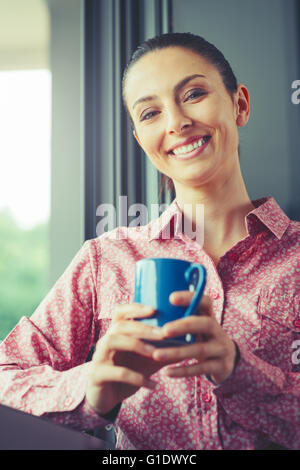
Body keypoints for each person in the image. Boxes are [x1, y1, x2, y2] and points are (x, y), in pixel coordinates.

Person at [0, 32, 299, 450]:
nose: (176, 122)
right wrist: (90, 390)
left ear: (240, 104)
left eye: (193, 93)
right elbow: (5, 375)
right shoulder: (106, 259)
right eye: (150, 113)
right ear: (142, 140)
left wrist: (239, 370)